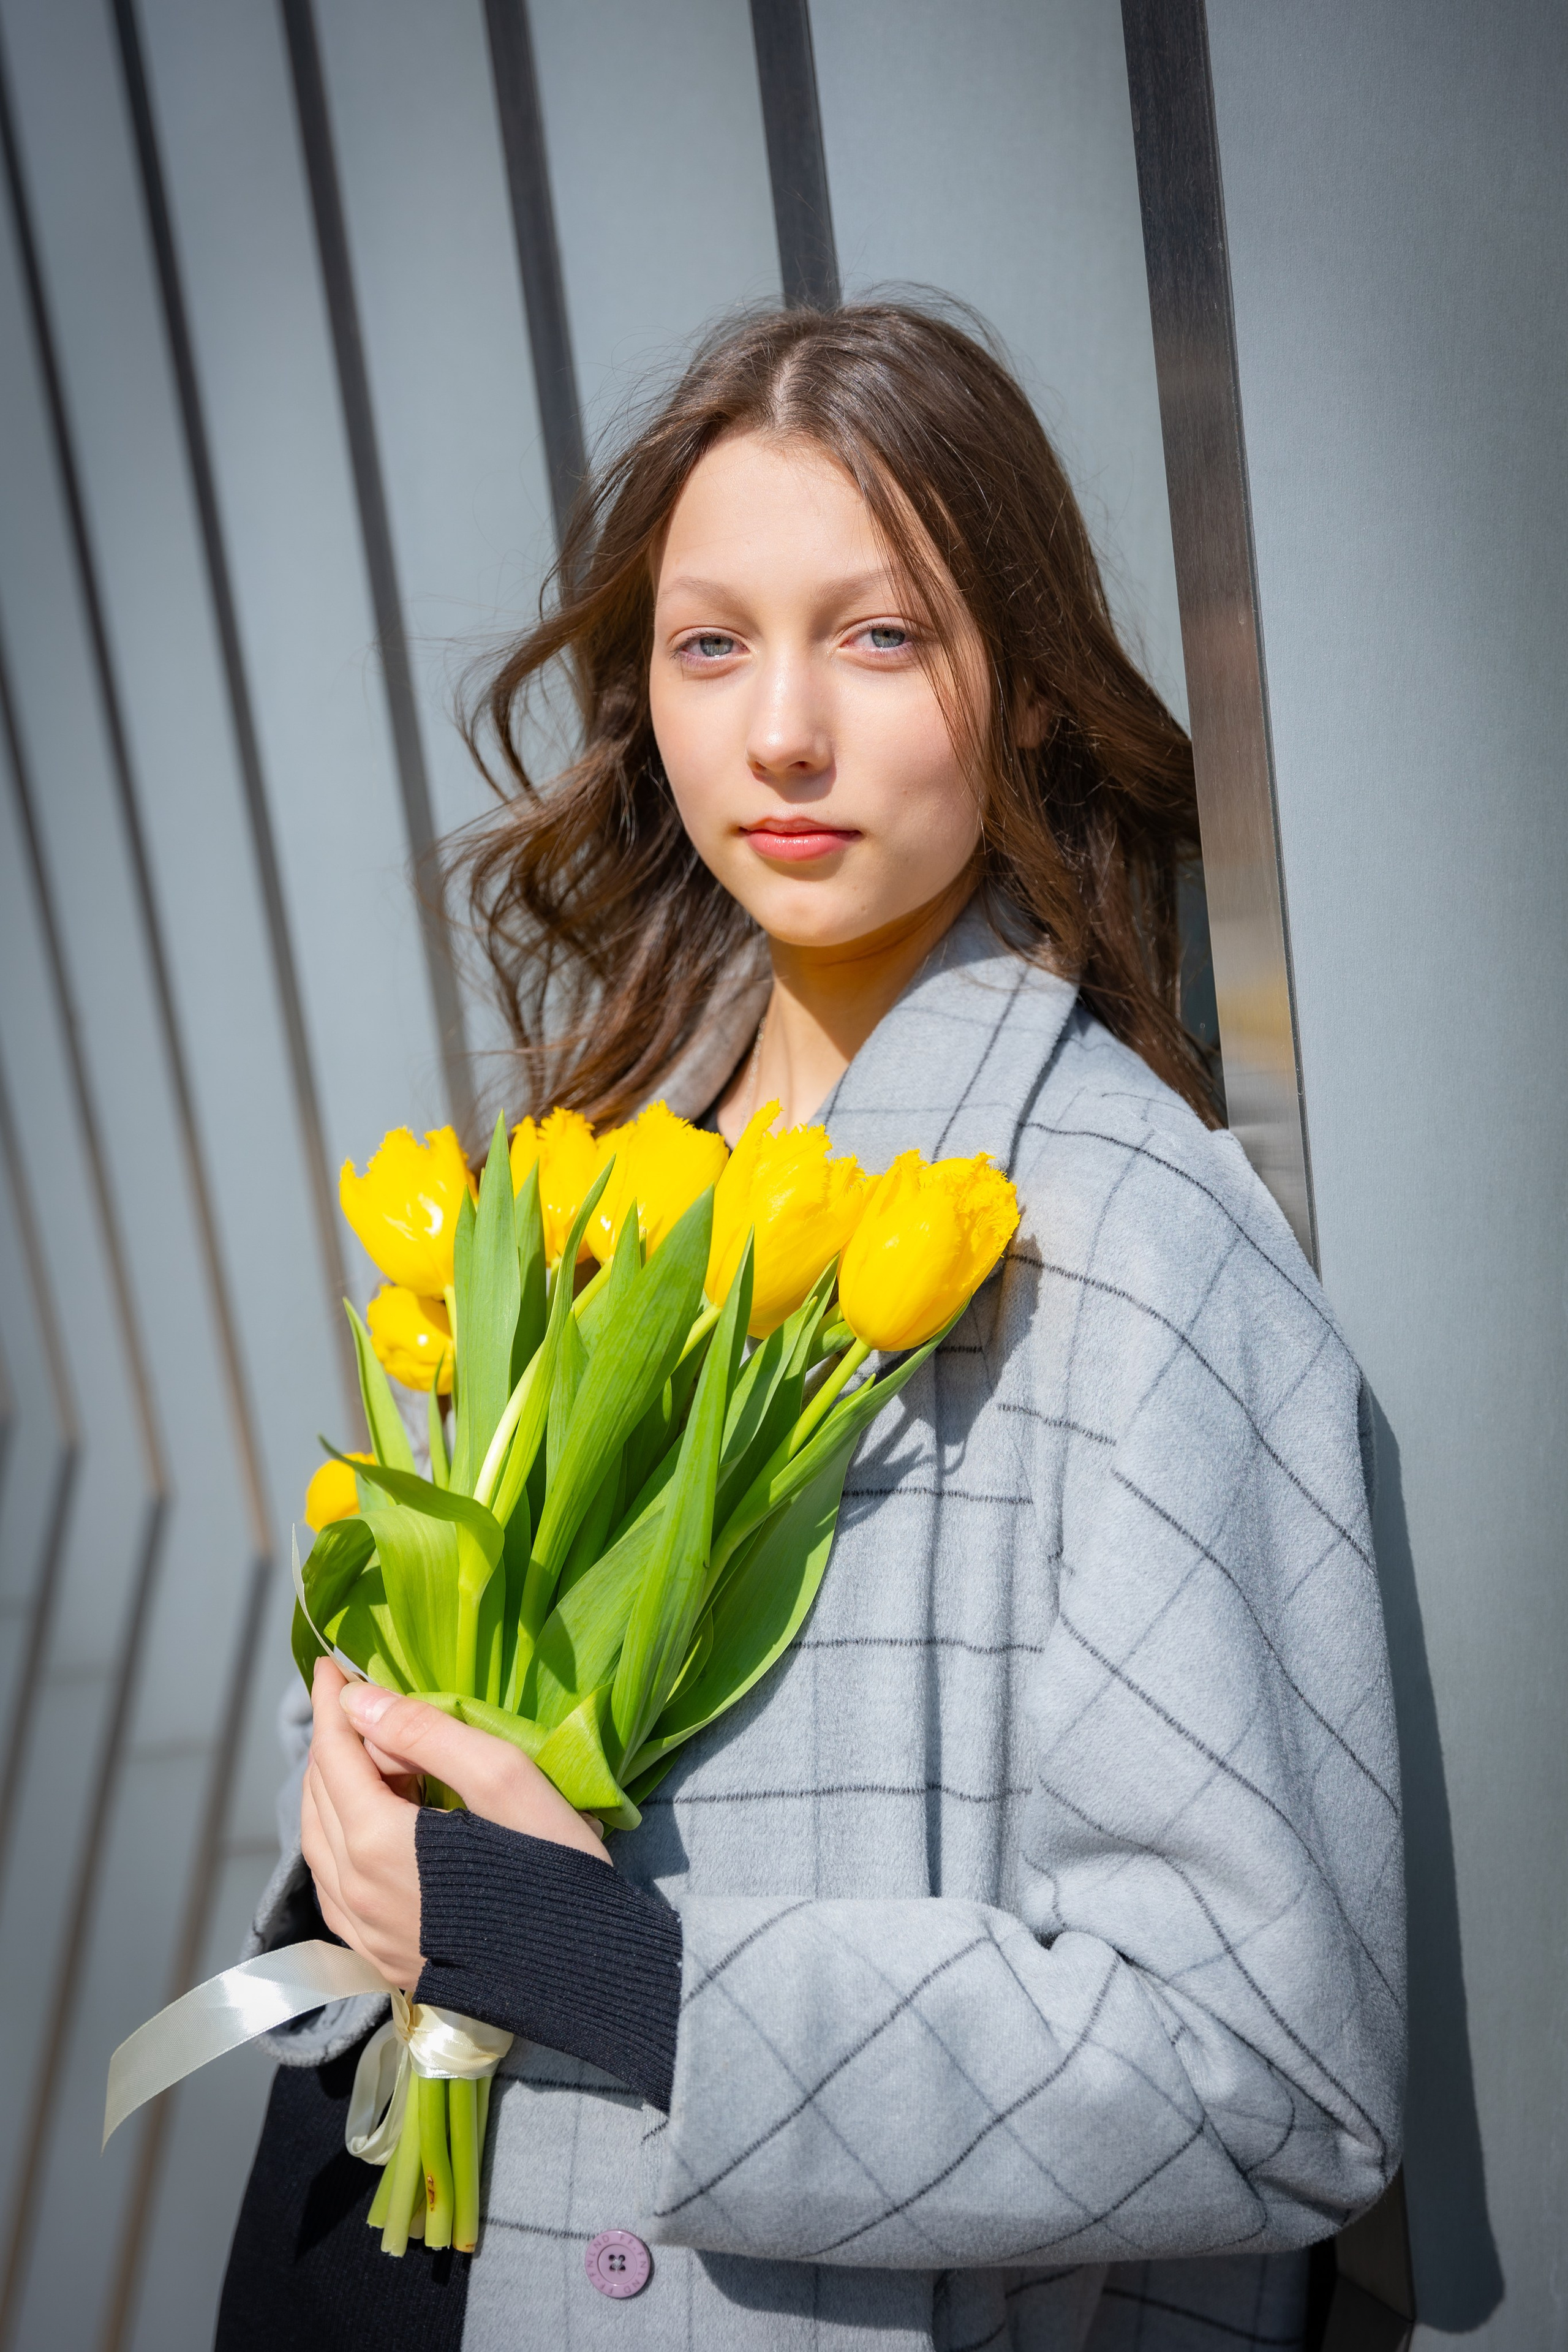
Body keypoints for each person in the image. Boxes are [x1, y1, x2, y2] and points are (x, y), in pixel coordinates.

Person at [218, 302, 1403, 2352]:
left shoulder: (1124, 1245)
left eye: (880, 637)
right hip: (395, 2242)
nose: (780, 731)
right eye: (710, 643)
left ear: (1028, 694)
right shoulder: (584, 1178)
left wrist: (614, 1971)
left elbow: (1274, 2079)